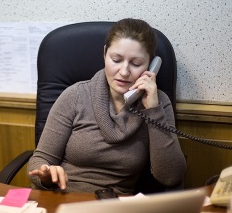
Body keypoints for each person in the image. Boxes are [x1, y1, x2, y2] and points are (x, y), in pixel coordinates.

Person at [27, 18, 186, 194]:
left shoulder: (157, 103)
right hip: (63, 199)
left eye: (136, 63)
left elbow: (171, 176)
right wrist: (46, 175)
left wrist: (153, 111)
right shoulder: (75, 95)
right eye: (116, 59)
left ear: (151, 66)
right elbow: (39, 160)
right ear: (104, 54)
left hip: (114, 207)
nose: (124, 72)